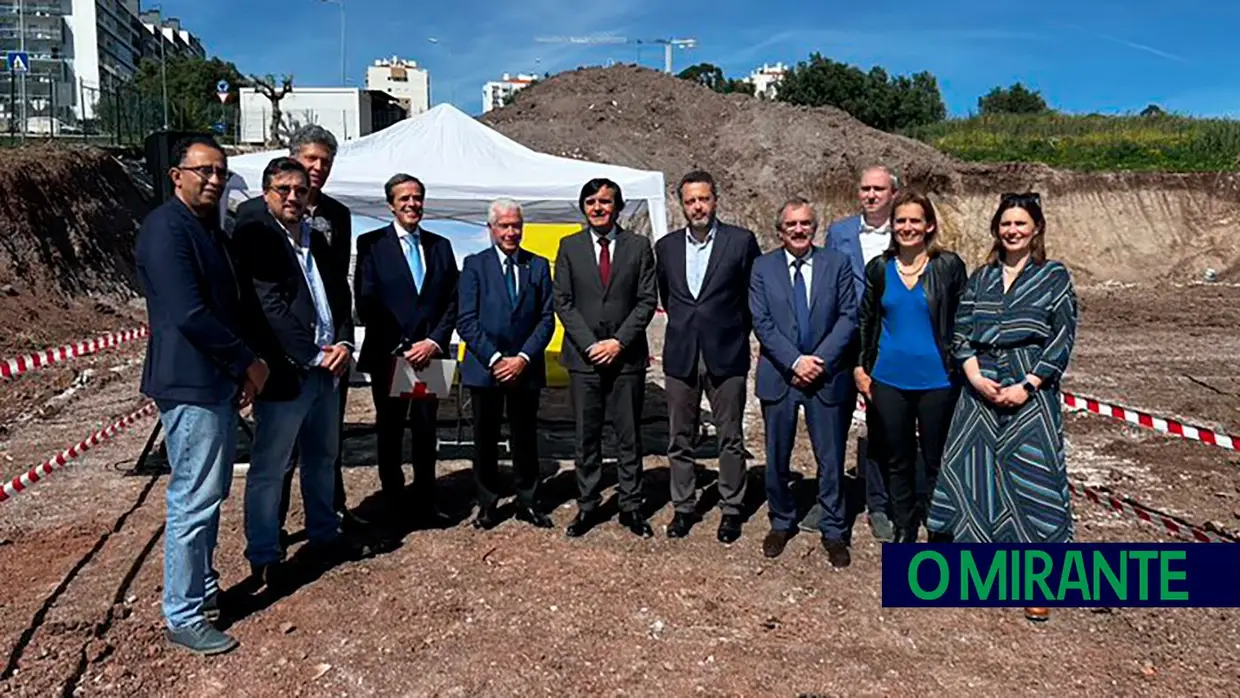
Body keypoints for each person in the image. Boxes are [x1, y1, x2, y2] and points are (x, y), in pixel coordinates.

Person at [136, 134, 267, 655]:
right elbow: (191, 315)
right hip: (190, 381)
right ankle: (183, 612)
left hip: (213, 380)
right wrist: (249, 363)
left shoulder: (206, 230)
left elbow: (225, 304)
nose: (213, 179)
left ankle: (203, 588)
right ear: (177, 175)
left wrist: (235, 372)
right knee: (192, 498)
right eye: (203, 170)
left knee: (208, 494)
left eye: (220, 171)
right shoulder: (166, 230)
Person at [926, 191, 1079, 623]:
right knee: (974, 479)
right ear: (996, 229)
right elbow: (960, 332)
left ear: (1035, 230)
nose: (1012, 231)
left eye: (1020, 224)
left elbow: (1062, 337)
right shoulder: (982, 277)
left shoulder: (1053, 277)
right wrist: (974, 377)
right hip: (980, 392)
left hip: (1031, 390)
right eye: (1006, 224)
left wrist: (1028, 385)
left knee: (1034, 483)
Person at [230, 157, 361, 588]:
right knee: (271, 467)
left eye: (300, 191)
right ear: (267, 193)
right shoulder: (257, 236)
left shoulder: (317, 240)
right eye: (283, 189)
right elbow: (270, 306)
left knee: (323, 459)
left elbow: (339, 297)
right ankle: (265, 554)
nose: (292, 197)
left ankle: (324, 533)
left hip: (328, 370)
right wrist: (312, 354)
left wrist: (343, 343)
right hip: (288, 373)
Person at [749, 197, 858, 567]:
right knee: (777, 457)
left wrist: (819, 361)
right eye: (791, 225)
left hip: (826, 376)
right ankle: (781, 521)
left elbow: (848, 316)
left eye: (806, 224)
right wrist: (795, 360)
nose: (799, 230)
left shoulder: (837, 264)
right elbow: (761, 321)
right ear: (780, 231)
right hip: (780, 374)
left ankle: (834, 529)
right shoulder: (762, 267)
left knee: (830, 458)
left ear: (815, 227)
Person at [853, 189, 966, 544]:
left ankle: (939, 523)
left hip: (937, 379)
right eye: (901, 220)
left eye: (915, 220)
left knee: (936, 459)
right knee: (898, 458)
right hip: (889, 380)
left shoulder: (948, 266)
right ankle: (905, 523)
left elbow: (964, 318)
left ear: (929, 225)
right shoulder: (879, 269)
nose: (907, 227)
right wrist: (860, 367)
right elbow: (866, 321)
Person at [655, 170, 761, 543]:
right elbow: (670, 299)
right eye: (690, 201)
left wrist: (734, 333)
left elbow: (753, 297)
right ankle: (684, 507)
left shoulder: (740, 242)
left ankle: (732, 508)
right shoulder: (666, 248)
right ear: (681, 205)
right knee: (679, 437)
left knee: (730, 437)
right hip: (681, 354)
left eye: (704, 198)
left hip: (726, 353)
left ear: (716, 199)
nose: (697, 206)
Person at [553, 177, 658, 538]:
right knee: (587, 436)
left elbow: (647, 300)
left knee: (628, 436)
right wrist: (590, 345)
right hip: (584, 360)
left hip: (626, 358)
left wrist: (618, 342)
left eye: (606, 201)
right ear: (583, 207)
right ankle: (588, 505)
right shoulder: (568, 247)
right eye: (591, 202)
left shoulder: (640, 246)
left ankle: (631, 505)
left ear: (618, 206)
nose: (598, 207)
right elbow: (563, 302)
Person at [354, 174, 458, 525]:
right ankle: (394, 506)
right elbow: (366, 301)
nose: (412, 204)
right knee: (390, 431)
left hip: (430, 353)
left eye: (417, 197)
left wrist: (433, 341)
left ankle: (426, 503)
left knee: (427, 431)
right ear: (391, 205)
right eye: (404, 198)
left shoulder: (440, 246)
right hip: (390, 354)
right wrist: (403, 346)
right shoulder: (370, 244)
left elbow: (452, 301)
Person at [456, 198, 556, 529]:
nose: (511, 232)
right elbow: (466, 320)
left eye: (516, 225)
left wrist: (523, 358)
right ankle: (487, 503)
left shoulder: (538, 266)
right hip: (486, 369)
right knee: (485, 440)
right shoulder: (474, 265)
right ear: (491, 229)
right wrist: (497, 359)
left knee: (525, 437)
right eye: (504, 226)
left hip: (525, 369)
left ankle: (528, 499)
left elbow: (546, 319)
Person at [817, 163, 901, 541]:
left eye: (878, 189)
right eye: (865, 189)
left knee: (881, 427)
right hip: (843, 341)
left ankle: (878, 504)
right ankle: (830, 497)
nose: (870, 195)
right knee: (832, 422)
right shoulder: (839, 232)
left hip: (887, 343)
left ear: (893, 194)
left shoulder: (906, 230)